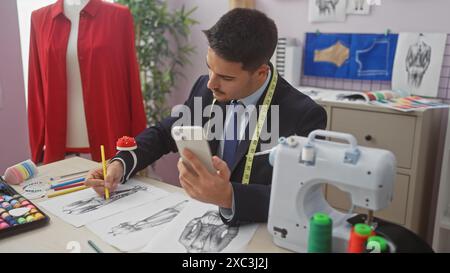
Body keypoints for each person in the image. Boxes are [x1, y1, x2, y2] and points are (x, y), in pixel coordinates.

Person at [86, 8, 327, 225]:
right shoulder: (205, 87)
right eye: (209, 67)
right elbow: (163, 134)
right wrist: (121, 163)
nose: (211, 82)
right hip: (201, 219)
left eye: (226, 77)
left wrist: (229, 197)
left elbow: (298, 195)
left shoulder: (305, 115)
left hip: (260, 231)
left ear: (261, 73)